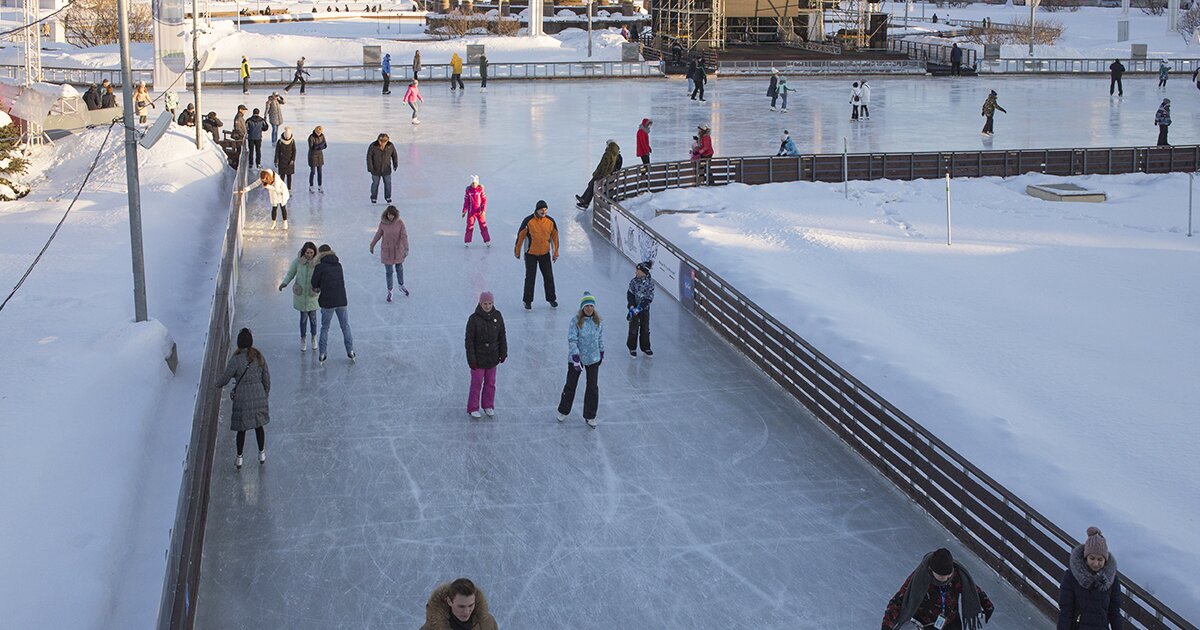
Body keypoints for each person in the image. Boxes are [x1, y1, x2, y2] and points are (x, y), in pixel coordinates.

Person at [882, 547, 995, 630]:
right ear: (931, 570)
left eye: (948, 575)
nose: (946, 579)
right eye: (941, 576)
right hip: (927, 624)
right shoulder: (920, 578)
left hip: (951, 623)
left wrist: (986, 603)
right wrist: (887, 626)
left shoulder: (957, 576)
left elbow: (972, 590)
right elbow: (898, 600)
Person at [215, 328, 271, 470]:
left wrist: (215, 384)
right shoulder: (258, 356)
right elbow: (266, 378)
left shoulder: (236, 360)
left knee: (242, 430)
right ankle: (262, 454)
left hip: (243, 400)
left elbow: (225, 378)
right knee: (259, 427)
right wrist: (264, 394)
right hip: (259, 396)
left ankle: (239, 458)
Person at [1057, 527, 1123, 630]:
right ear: (1086, 557)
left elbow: (1114, 613)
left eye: (1100, 559)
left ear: (1105, 560)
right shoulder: (1071, 576)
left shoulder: (1112, 580)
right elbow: (1066, 611)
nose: (1096, 563)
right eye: (1092, 558)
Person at [557, 292, 604, 427]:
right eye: (586, 306)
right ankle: (563, 410)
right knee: (571, 385)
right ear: (582, 307)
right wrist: (576, 357)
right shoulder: (576, 320)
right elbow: (572, 339)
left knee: (592, 387)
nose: (589, 308)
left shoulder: (598, 321)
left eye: (591, 306)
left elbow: (600, 338)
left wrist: (601, 352)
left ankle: (590, 415)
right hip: (576, 359)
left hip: (593, 358)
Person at [464, 291, 507, 419]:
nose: (487, 306)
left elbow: (502, 335)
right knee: (476, 384)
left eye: (490, 303)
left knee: (490, 383)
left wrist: (503, 352)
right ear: (480, 303)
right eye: (485, 303)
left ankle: (488, 405)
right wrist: (471, 359)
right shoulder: (474, 319)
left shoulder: (497, 316)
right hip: (478, 359)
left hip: (493, 357)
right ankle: (473, 407)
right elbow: (469, 341)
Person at [311, 244, 355, 364]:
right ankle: (350, 350)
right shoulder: (339, 265)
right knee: (345, 326)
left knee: (325, 328)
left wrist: (318, 288)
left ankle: (322, 353)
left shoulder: (319, 267)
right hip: (341, 300)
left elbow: (314, 284)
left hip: (327, 302)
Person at [513, 200, 559, 309]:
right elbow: (520, 236)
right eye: (541, 210)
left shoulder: (550, 221)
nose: (543, 211)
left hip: (545, 254)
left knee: (548, 277)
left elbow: (555, 238)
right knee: (530, 278)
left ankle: (551, 299)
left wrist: (555, 252)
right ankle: (527, 301)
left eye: (545, 209)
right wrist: (517, 251)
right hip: (531, 254)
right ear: (536, 210)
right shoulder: (528, 221)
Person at [278, 241, 321, 352]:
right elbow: (290, 273)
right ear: (303, 252)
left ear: (314, 252)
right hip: (301, 295)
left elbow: (322, 277)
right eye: (307, 253)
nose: (309, 255)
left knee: (313, 319)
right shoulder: (297, 262)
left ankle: (314, 337)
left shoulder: (317, 263)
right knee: (303, 319)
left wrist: (321, 288)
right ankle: (303, 339)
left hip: (312, 295)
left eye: (311, 253)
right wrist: (284, 283)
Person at [420, 578, 498, 630]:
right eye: (461, 606)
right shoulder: (431, 628)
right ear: (449, 601)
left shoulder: (489, 623)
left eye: (471, 605)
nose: (467, 612)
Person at [368, 205, 410, 302]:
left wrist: (406, 248)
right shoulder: (383, 223)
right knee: (389, 272)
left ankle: (401, 285)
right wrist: (372, 244)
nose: (390, 217)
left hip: (397, 250)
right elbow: (378, 234)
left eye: (392, 215)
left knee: (399, 268)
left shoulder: (400, 223)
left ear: (395, 215)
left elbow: (404, 236)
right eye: (389, 215)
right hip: (387, 251)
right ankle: (390, 290)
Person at [576, 140, 622, 209]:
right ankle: (583, 199)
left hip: (603, 175)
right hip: (610, 176)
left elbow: (604, 166)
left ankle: (585, 203)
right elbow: (618, 167)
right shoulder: (618, 155)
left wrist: (600, 176)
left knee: (592, 184)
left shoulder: (608, 153)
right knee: (591, 184)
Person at [626, 261, 654, 357]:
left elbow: (648, 298)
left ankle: (646, 347)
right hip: (634, 309)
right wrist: (631, 306)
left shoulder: (649, 283)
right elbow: (630, 294)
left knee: (645, 328)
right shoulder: (633, 282)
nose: (636, 272)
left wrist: (640, 307)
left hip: (644, 310)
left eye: (638, 271)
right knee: (633, 328)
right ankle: (632, 347)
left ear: (643, 272)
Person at [366, 132, 398, 204]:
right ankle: (373, 198)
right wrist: (370, 168)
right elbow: (369, 157)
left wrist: (395, 164)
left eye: (384, 142)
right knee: (375, 184)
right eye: (381, 141)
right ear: (378, 140)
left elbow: (394, 155)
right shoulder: (373, 146)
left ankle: (388, 197)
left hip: (386, 169)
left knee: (388, 184)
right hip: (375, 169)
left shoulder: (390, 146)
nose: (382, 143)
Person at [462, 174, 490, 246]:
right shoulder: (468, 191)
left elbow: (484, 201)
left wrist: (483, 210)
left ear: (477, 183)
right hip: (471, 212)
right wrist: (464, 211)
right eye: (473, 183)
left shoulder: (480, 190)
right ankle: (467, 241)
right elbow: (466, 202)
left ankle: (487, 241)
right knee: (469, 226)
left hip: (480, 212)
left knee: (483, 226)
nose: (474, 184)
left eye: (475, 183)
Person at [308, 125, 326, 193]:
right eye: (318, 132)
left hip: (320, 156)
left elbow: (325, 145)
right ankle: (311, 186)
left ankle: (320, 186)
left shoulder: (322, 136)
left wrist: (319, 146)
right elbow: (312, 147)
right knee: (313, 172)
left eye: (320, 132)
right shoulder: (311, 137)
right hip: (312, 156)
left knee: (320, 172)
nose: (319, 134)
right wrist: (320, 145)